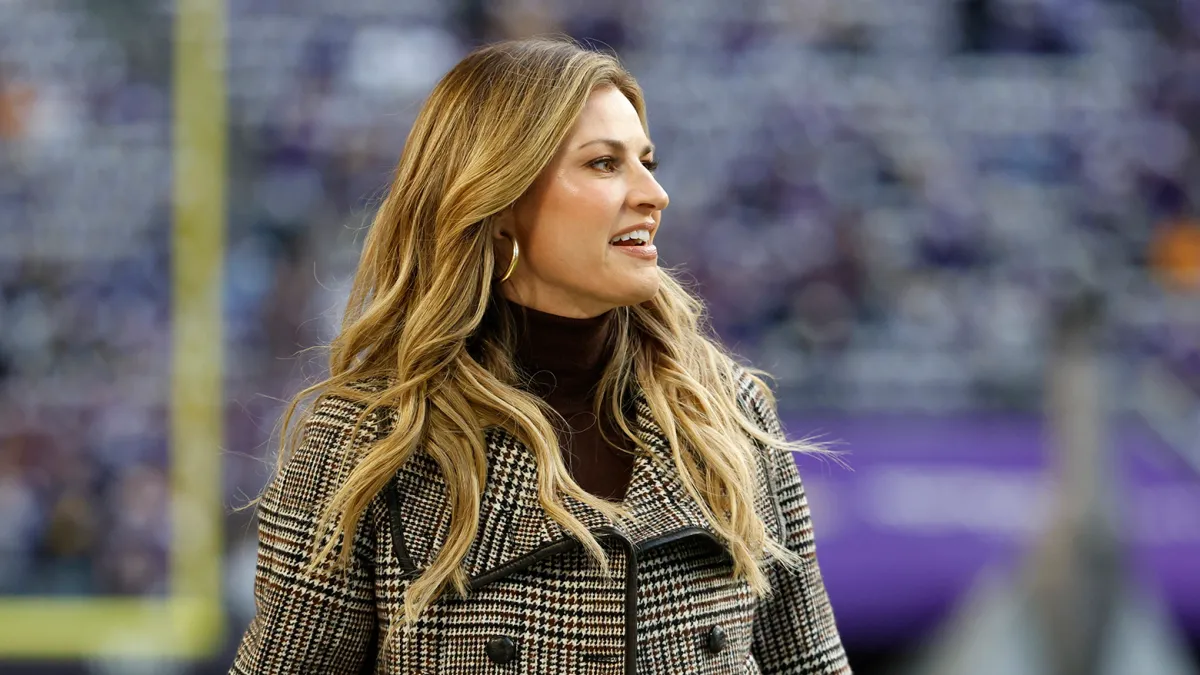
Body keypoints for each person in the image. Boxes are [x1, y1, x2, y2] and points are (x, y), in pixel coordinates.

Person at [230, 36, 850, 674]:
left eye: (648, 161)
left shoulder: (727, 411)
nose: (653, 194)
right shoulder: (366, 440)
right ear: (500, 203)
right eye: (604, 164)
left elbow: (813, 664)